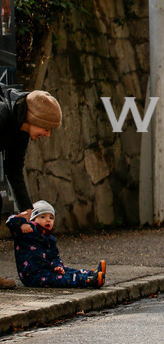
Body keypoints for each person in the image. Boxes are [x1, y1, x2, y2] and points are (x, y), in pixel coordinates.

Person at [0, 87, 63, 290]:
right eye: (46, 128)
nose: (47, 134)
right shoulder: (3, 114)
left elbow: (13, 170)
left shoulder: (21, 130)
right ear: (34, 118)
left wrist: (27, 210)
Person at [7, 200, 105, 288]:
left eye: (51, 217)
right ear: (33, 219)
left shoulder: (50, 239)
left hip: (48, 270)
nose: (48, 220)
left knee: (67, 270)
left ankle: (92, 274)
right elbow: (10, 221)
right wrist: (23, 223)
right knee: (63, 279)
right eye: (43, 216)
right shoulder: (25, 233)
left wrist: (57, 266)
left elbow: (54, 256)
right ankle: (88, 280)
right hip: (33, 276)